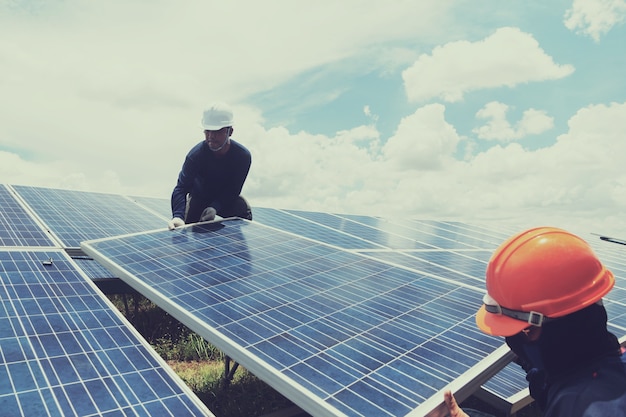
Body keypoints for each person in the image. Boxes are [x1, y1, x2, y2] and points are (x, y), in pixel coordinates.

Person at [444, 227, 626, 417]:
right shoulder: (604, 362)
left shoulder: (583, 408)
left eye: (526, 331)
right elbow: (553, 364)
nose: (517, 342)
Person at [168, 102, 252, 230]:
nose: (211, 137)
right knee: (187, 227)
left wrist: (215, 207)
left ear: (230, 132)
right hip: (199, 198)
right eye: (207, 131)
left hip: (226, 199)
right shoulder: (195, 155)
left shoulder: (242, 156)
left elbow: (233, 190)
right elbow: (181, 188)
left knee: (241, 208)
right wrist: (178, 216)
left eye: (217, 131)